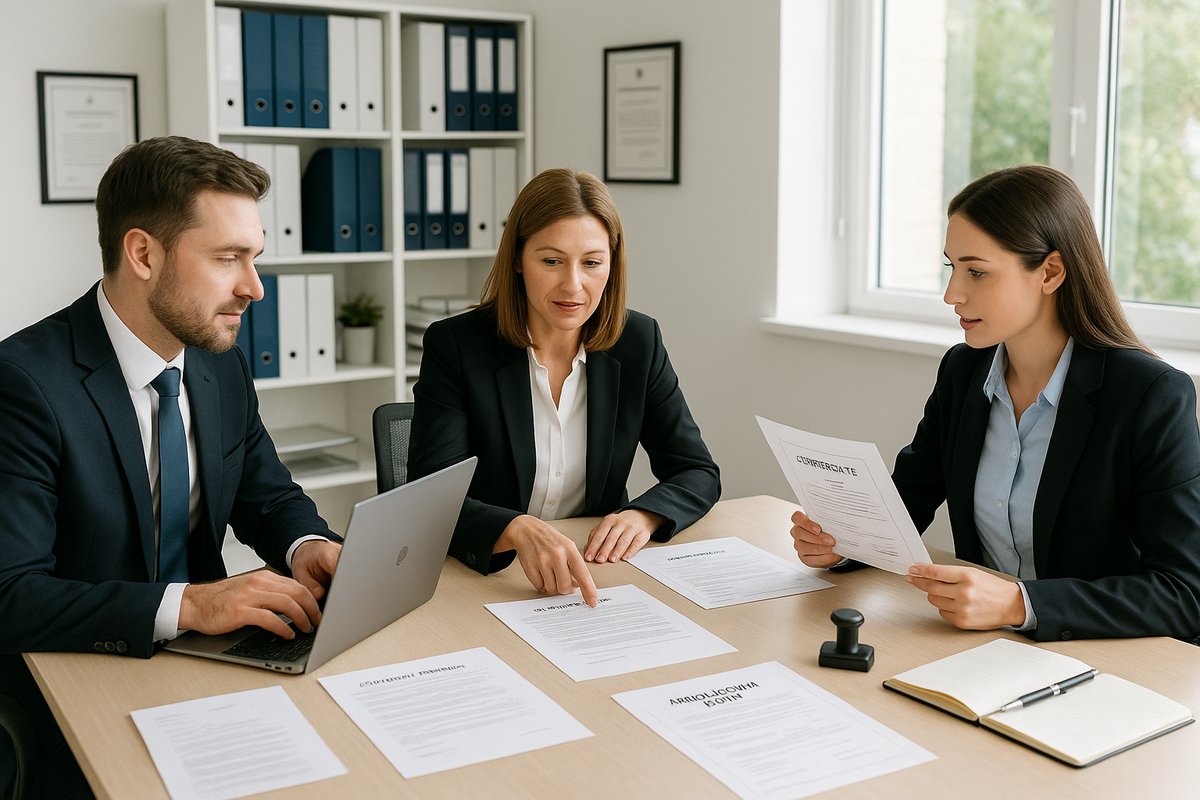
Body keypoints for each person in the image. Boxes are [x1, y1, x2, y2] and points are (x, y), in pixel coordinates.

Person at [0, 136, 344, 796]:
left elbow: (265, 492)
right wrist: (190, 604)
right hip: (81, 687)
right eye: (228, 259)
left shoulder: (217, 360)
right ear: (143, 253)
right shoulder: (24, 385)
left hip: (210, 669)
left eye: (255, 258)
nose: (255, 288)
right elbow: (10, 594)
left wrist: (306, 547)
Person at [791, 164, 1200, 642]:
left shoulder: (1149, 395)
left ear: (1050, 272)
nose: (952, 294)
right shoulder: (964, 371)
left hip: (1103, 661)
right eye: (952, 267)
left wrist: (1018, 604)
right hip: (982, 649)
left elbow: (1185, 594)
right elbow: (908, 499)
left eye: (977, 272)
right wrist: (842, 542)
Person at [408, 168, 720, 607]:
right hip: (488, 579)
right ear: (518, 259)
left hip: (596, 574)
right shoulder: (457, 346)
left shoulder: (638, 343)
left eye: (592, 263)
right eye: (551, 261)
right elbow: (429, 496)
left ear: (612, 263)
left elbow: (696, 470)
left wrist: (644, 514)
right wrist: (514, 527)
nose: (573, 285)